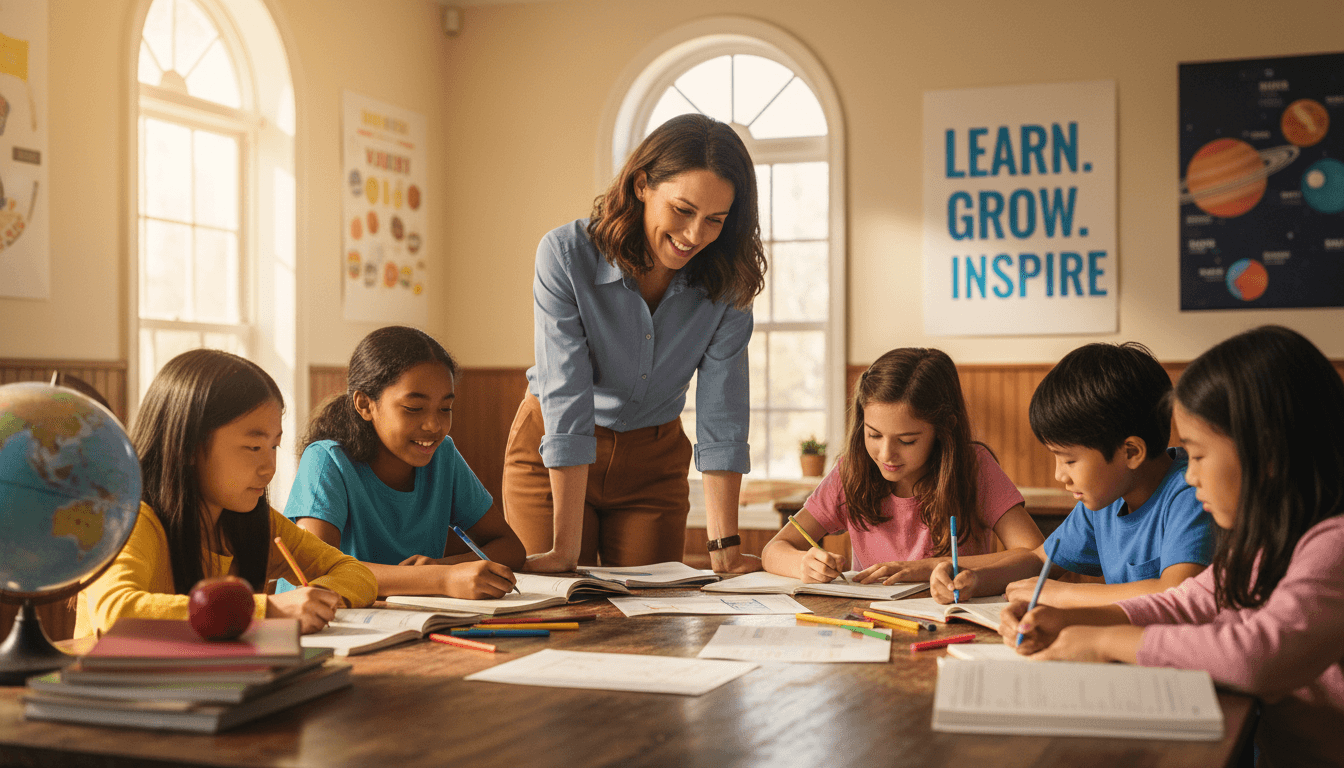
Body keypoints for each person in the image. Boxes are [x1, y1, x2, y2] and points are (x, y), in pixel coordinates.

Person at [1001, 326, 1344, 765]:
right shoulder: (1263, 544)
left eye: (1198, 455)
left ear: (1269, 455)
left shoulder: (1333, 544)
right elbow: (1185, 603)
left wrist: (1105, 642)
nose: (1192, 474)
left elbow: (1258, 655)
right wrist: (1065, 619)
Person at [503, 113, 766, 572]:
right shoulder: (565, 256)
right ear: (642, 184)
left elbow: (722, 410)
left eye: (715, 220)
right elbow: (566, 394)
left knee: (651, 619)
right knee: (560, 600)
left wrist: (724, 547)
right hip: (553, 452)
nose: (694, 236)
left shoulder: (728, 280)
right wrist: (565, 549)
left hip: (654, 461)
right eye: (683, 210)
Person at [75, 350, 376, 638]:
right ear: (187, 447)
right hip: (117, 687)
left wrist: (315, 601)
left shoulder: (256, 521)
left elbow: (354, 572)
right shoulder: (130, 517)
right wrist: (267, 609)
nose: (269, 468)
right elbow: (116, 613)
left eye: (274, 446)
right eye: (253, 447)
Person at [930, 342, 1215, 606]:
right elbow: (1040, 560)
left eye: (1069, 460)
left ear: (1130, 453)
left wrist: (1061, 593)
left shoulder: (1192, 493)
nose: (1059, 475)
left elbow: (1177, 593)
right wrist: (975, 580)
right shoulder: (1106, 498)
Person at [761, 348, 1044, 584]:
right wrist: (803, 563)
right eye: (873, 435)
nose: (886, 454)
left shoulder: (973, 468)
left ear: (943, 430)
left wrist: (930, 568)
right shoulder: (851, 471)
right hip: (871, 623)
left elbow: (1033, 554)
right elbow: (773, 550)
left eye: (907, 441)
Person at [285, 326, 524, 598]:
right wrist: (438, 579)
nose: (434, 425)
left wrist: (441, 567)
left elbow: (511, 547)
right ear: (365, 404)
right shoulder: (327, 460)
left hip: (408, 623)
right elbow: (317, 571)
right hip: (320, 629)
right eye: (413, 408)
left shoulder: (443, 456)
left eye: (445, 409)